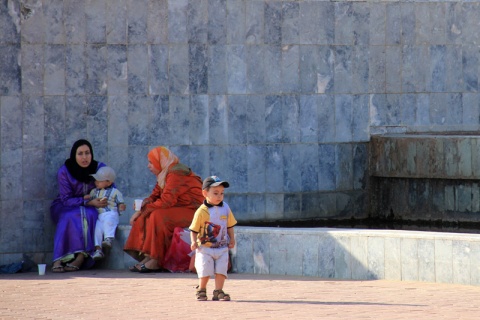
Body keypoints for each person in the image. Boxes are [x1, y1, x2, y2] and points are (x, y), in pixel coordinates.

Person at [124, 146, 204, 273]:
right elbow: (155, 196)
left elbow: (167, 200)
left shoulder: (175, 173)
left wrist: (143, 209)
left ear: (160, 162)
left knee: (157, 215)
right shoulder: (165, 174)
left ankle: (156, 260)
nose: (148, 166)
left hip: (195, 211)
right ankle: (148, 256)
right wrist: (142, 207)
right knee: (150, 213)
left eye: (151, 162)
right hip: (181, 208)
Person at [50, 139, 109, 272]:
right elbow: (65, 199)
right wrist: (85, 201)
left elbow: (109, 187)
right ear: (74, 155)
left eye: (87, 153)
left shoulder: (99, 169)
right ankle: (58, 258)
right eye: (80, 154)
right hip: (66, 205)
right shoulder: (65, 171)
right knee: (69, 216)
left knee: (91, 214)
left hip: (92, 206)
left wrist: (101, 200)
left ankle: (81, 257)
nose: (84, 157)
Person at [189, 176, 237, 301]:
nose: (219, 196)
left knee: (221, 270)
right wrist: (194, 241)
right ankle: (202, 289)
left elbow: (230, 225)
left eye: (222, 193)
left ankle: (218, 291)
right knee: (205, 269)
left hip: (222, 247)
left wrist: (232, 238)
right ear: (205, 193)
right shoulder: (201, 211)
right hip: (205, 248)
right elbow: (193, 229)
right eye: (215, 193)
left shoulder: (225, 208)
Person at [88, 166, 126, 260]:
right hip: (99, 215)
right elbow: (89, 198)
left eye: (100, 181)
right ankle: (98, 250)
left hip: (110, 213)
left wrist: (121, 206)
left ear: (109, 182)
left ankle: (108, 238)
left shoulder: (115, 192)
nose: (96, 182)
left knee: (109, 221)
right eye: (96, 180)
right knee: (97, 229)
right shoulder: (94, 192)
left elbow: (120, 202)